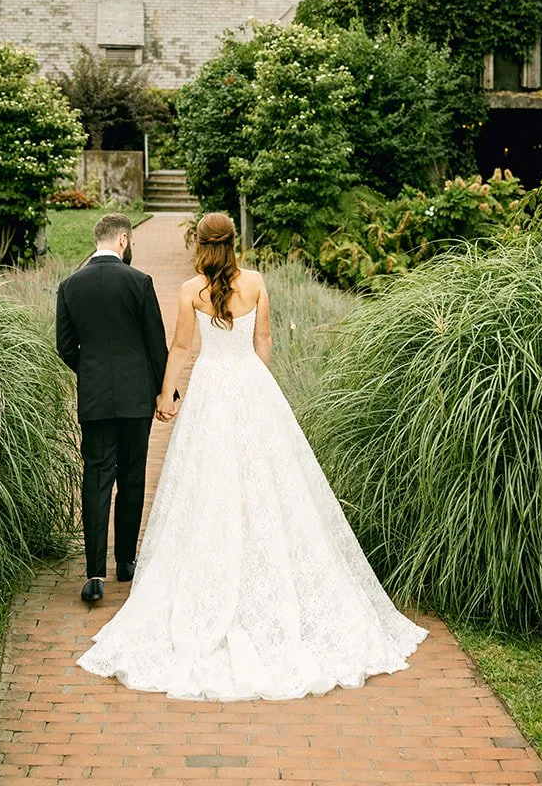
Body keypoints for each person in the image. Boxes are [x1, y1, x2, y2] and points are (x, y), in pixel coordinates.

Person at [77, 211, 427, 701]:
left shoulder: (188, 290)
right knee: (267, 482)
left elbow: (179, 348)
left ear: (199, 244)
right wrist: (259, 386)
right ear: (234, 242)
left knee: (206, 485)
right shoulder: (258, 282)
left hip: (212, 391)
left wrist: (166, 395)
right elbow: (263, 342)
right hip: (250, 386)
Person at [55, 212, 170, 605]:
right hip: (137, 396)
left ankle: (93, 575)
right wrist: (161, 391)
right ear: (123, 240)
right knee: (132, 475)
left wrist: (90, 370)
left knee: (97, 477)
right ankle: (126, 561)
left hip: (95, 397)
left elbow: (65, 346)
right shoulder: (138, 282)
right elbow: (156, 343)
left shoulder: (70, 285)